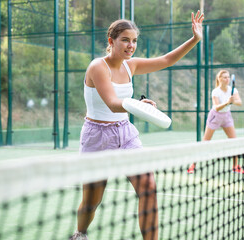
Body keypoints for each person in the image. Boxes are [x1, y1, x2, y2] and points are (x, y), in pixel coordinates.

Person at [70, 11, 204, 240]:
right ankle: (80, 234)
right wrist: (137, 106)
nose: (131, 45)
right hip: (97, 137)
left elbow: (166, 60)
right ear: (111, 41)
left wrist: (195, 39)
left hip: (126, 134)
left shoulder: (129, 66)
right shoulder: (97, 67)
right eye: (125, 40)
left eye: (134, 41)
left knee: (148, 188)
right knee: (91, 202)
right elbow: (112, 103)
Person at [187, 70, 244, 174]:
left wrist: (233, 101)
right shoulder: (215, 92)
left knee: (234, 142)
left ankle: (236, 167)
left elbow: (239, 102)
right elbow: (217, 107)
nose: (227, 79)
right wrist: (227, 103)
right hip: (215, 116)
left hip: (227, 116)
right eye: (224, 77)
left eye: (228, 77)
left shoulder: (233, 90)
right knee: (205, 142)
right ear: (219, 79)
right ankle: (192, 166)